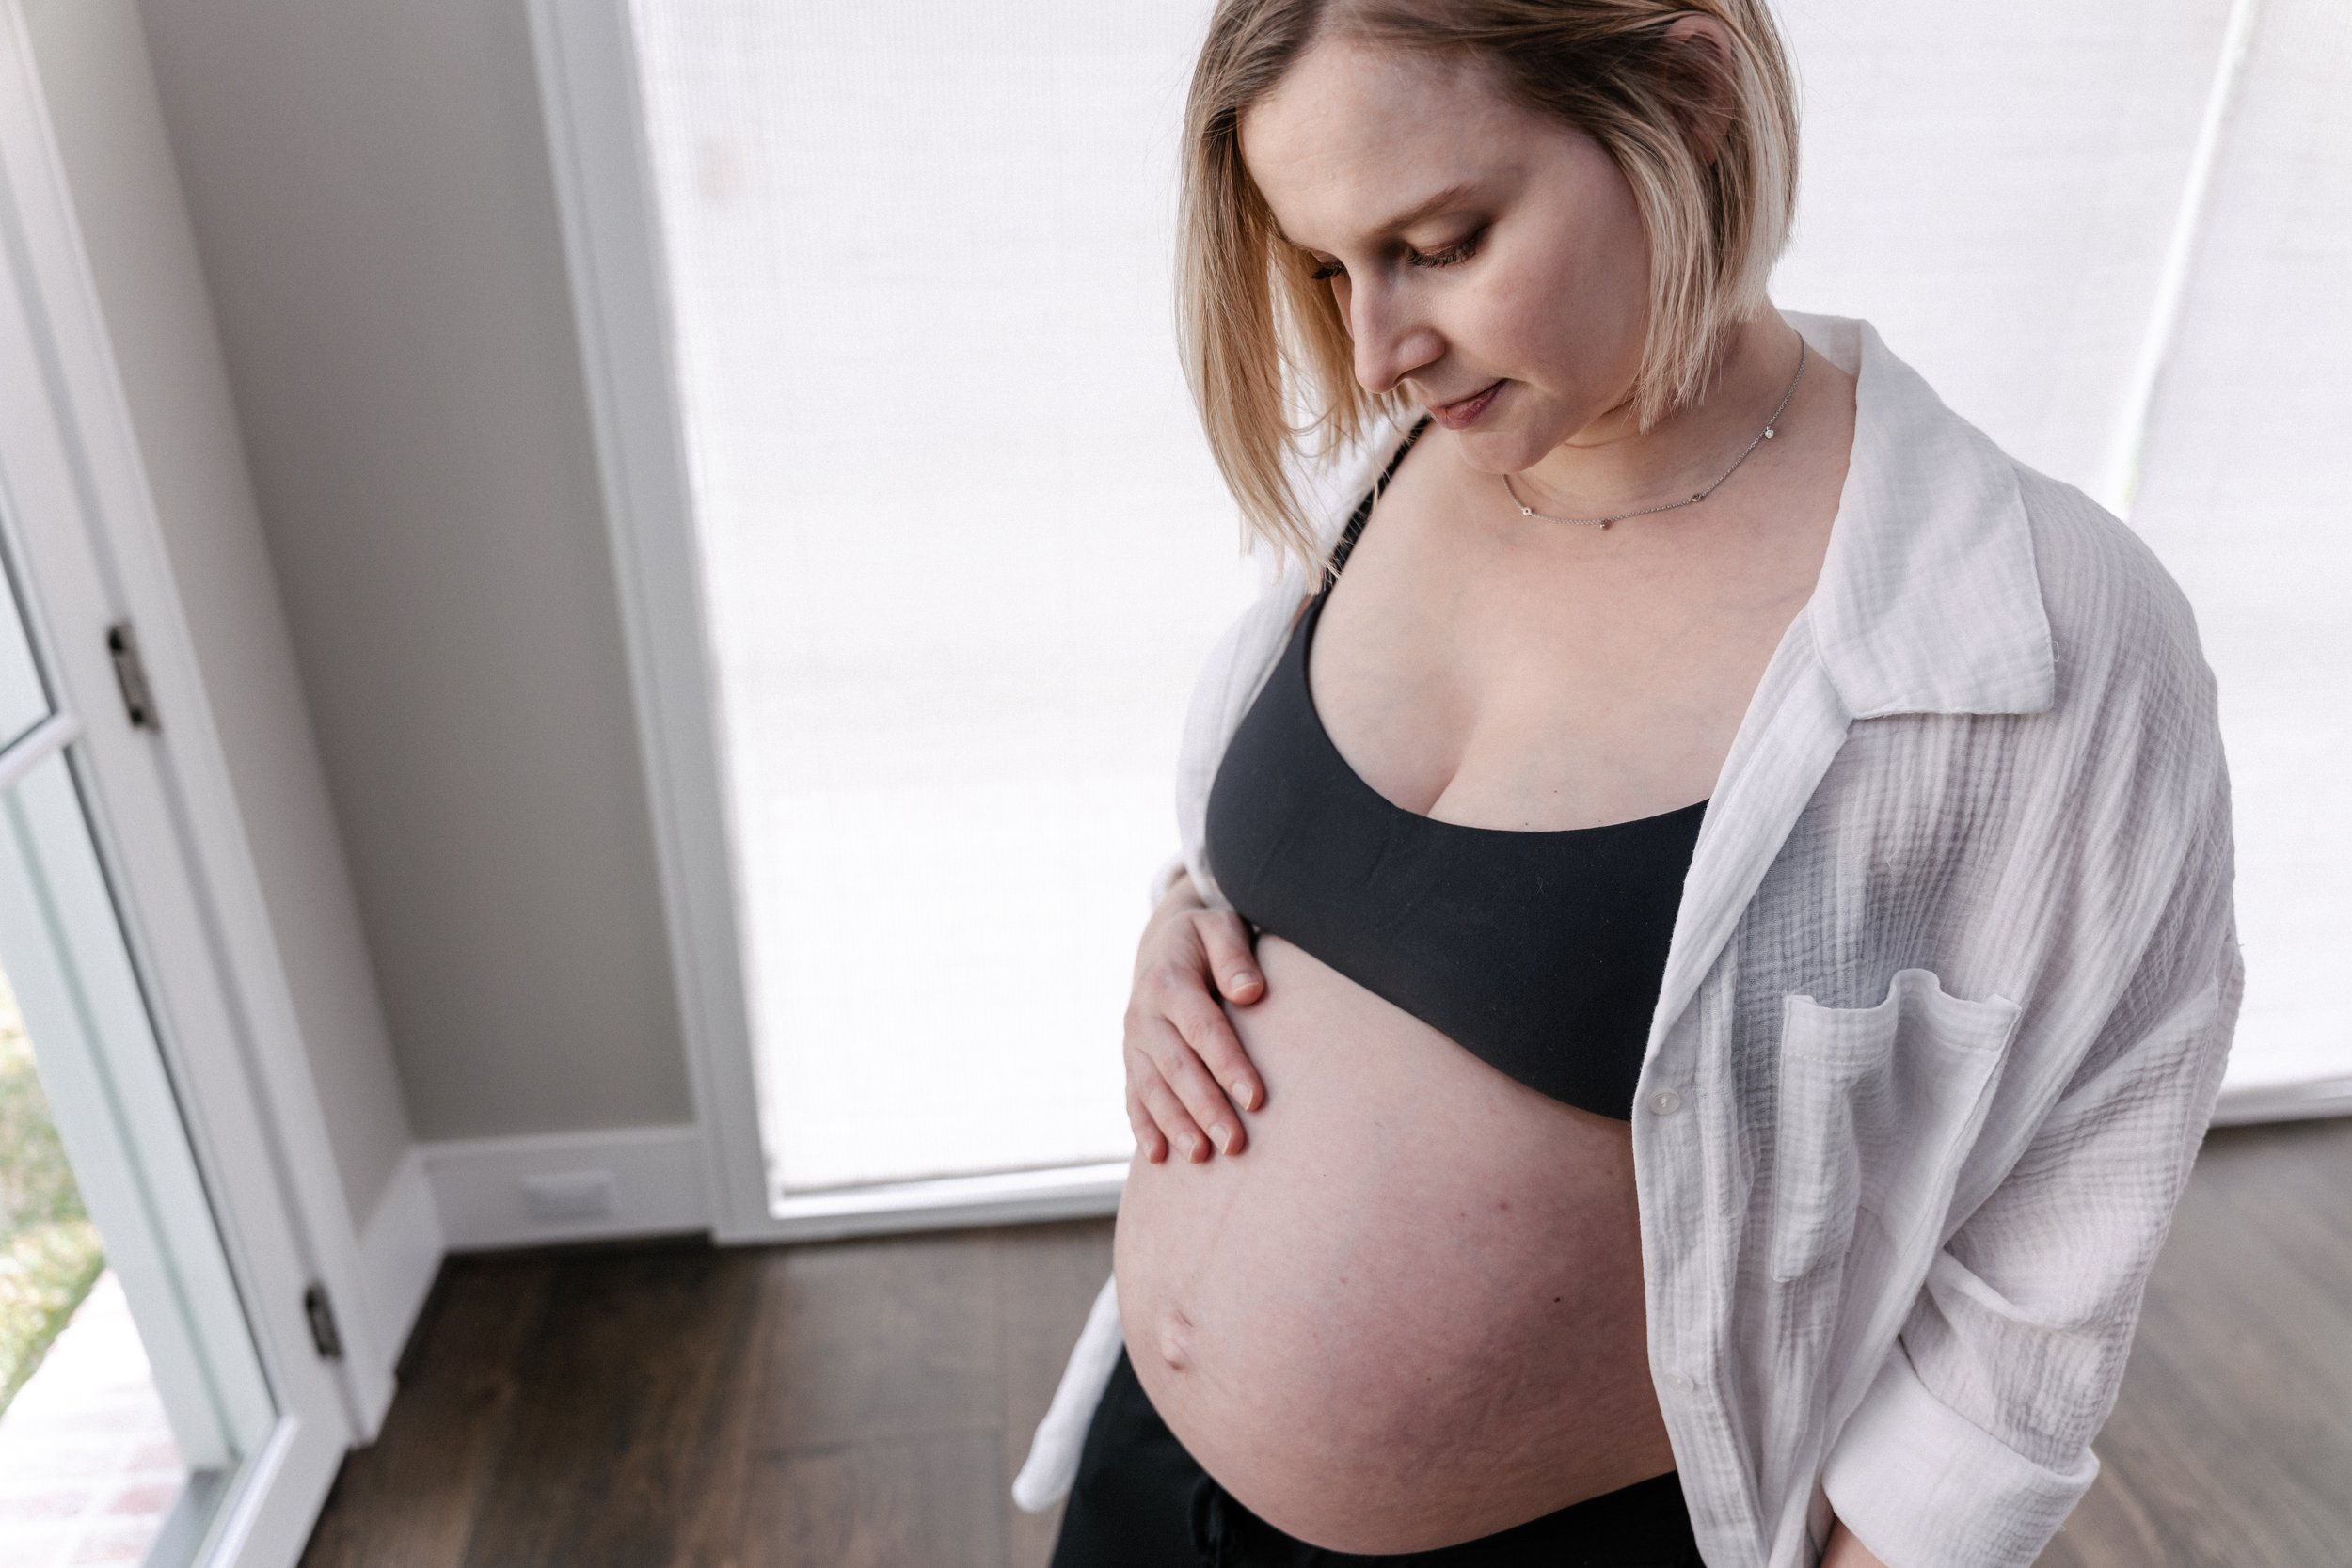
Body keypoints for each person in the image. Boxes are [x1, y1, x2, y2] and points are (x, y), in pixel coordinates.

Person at [1014, 3, 2241, 1565]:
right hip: (1144, 1479)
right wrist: (1182, 936)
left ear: (1689, 93)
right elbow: (1305, 871)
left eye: (1442, 243)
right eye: (1326, 269)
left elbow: (2064, 1226)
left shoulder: (2032, 621)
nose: (1376, 352)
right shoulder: (1401, 459)